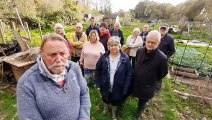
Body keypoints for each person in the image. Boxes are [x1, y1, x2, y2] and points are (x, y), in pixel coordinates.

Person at [17, 33, 91, 119]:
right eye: (52, 54)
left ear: (68, 53)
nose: (59, 60)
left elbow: (84, 93)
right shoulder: (26, 84)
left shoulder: (74, 68)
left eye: (62, 54)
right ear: (42, 55)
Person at [131, 30, 168, 119]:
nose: (150, 44)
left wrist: (151, 78)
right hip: (136, 81)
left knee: (143, 102)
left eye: (153, 43)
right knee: (133, 93)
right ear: (146, 40)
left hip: (148, 85)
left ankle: (139, 114)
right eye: (148, 42)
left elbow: (162, 73)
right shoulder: (139, 51)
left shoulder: (162, 58)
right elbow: (137, 63)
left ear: (158, 43)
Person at [95, 36, 132, 120]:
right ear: (108, 47)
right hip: (105, 84)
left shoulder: (125, 58)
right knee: (105, 98)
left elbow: (129, 74)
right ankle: (105, 109)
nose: (113, 47)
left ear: (119, 46)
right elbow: (97, 70)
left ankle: (113, 114)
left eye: (115, 45)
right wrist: (97, 83)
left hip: (118, 86)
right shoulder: (104, 57)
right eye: (111, 45)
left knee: (115, 100)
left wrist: (126, 88)